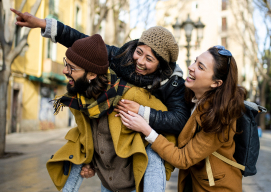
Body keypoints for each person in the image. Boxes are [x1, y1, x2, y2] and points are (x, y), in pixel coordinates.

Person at [10, 8, 191, 191]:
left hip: (145, 152)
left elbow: (180, 120)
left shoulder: (173, 83)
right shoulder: (122, 58)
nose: (140, 61)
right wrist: (43, 24)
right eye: (139, 51)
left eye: (149, 59)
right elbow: (82, 43)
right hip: (114, 158)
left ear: (162, 64)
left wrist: (142, 112)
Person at [45, 34, 176, 192]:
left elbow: (171, 129)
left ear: (93, 75)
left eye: (72, 68)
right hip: (107, 185)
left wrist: (160, 172)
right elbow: (87, 136)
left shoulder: (130, 95)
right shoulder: (79, 99)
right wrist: (90, 162)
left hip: (136, 186)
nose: (65, 70)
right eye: (67, 64)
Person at [119, 46, 247, 191]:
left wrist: (145, 129)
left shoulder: (221, 118)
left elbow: (183, 158)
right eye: (195, 61)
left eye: (200, 67)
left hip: (217, 188)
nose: (191, 67)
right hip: (194, 183)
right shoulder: (191, 98)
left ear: (216, 83)